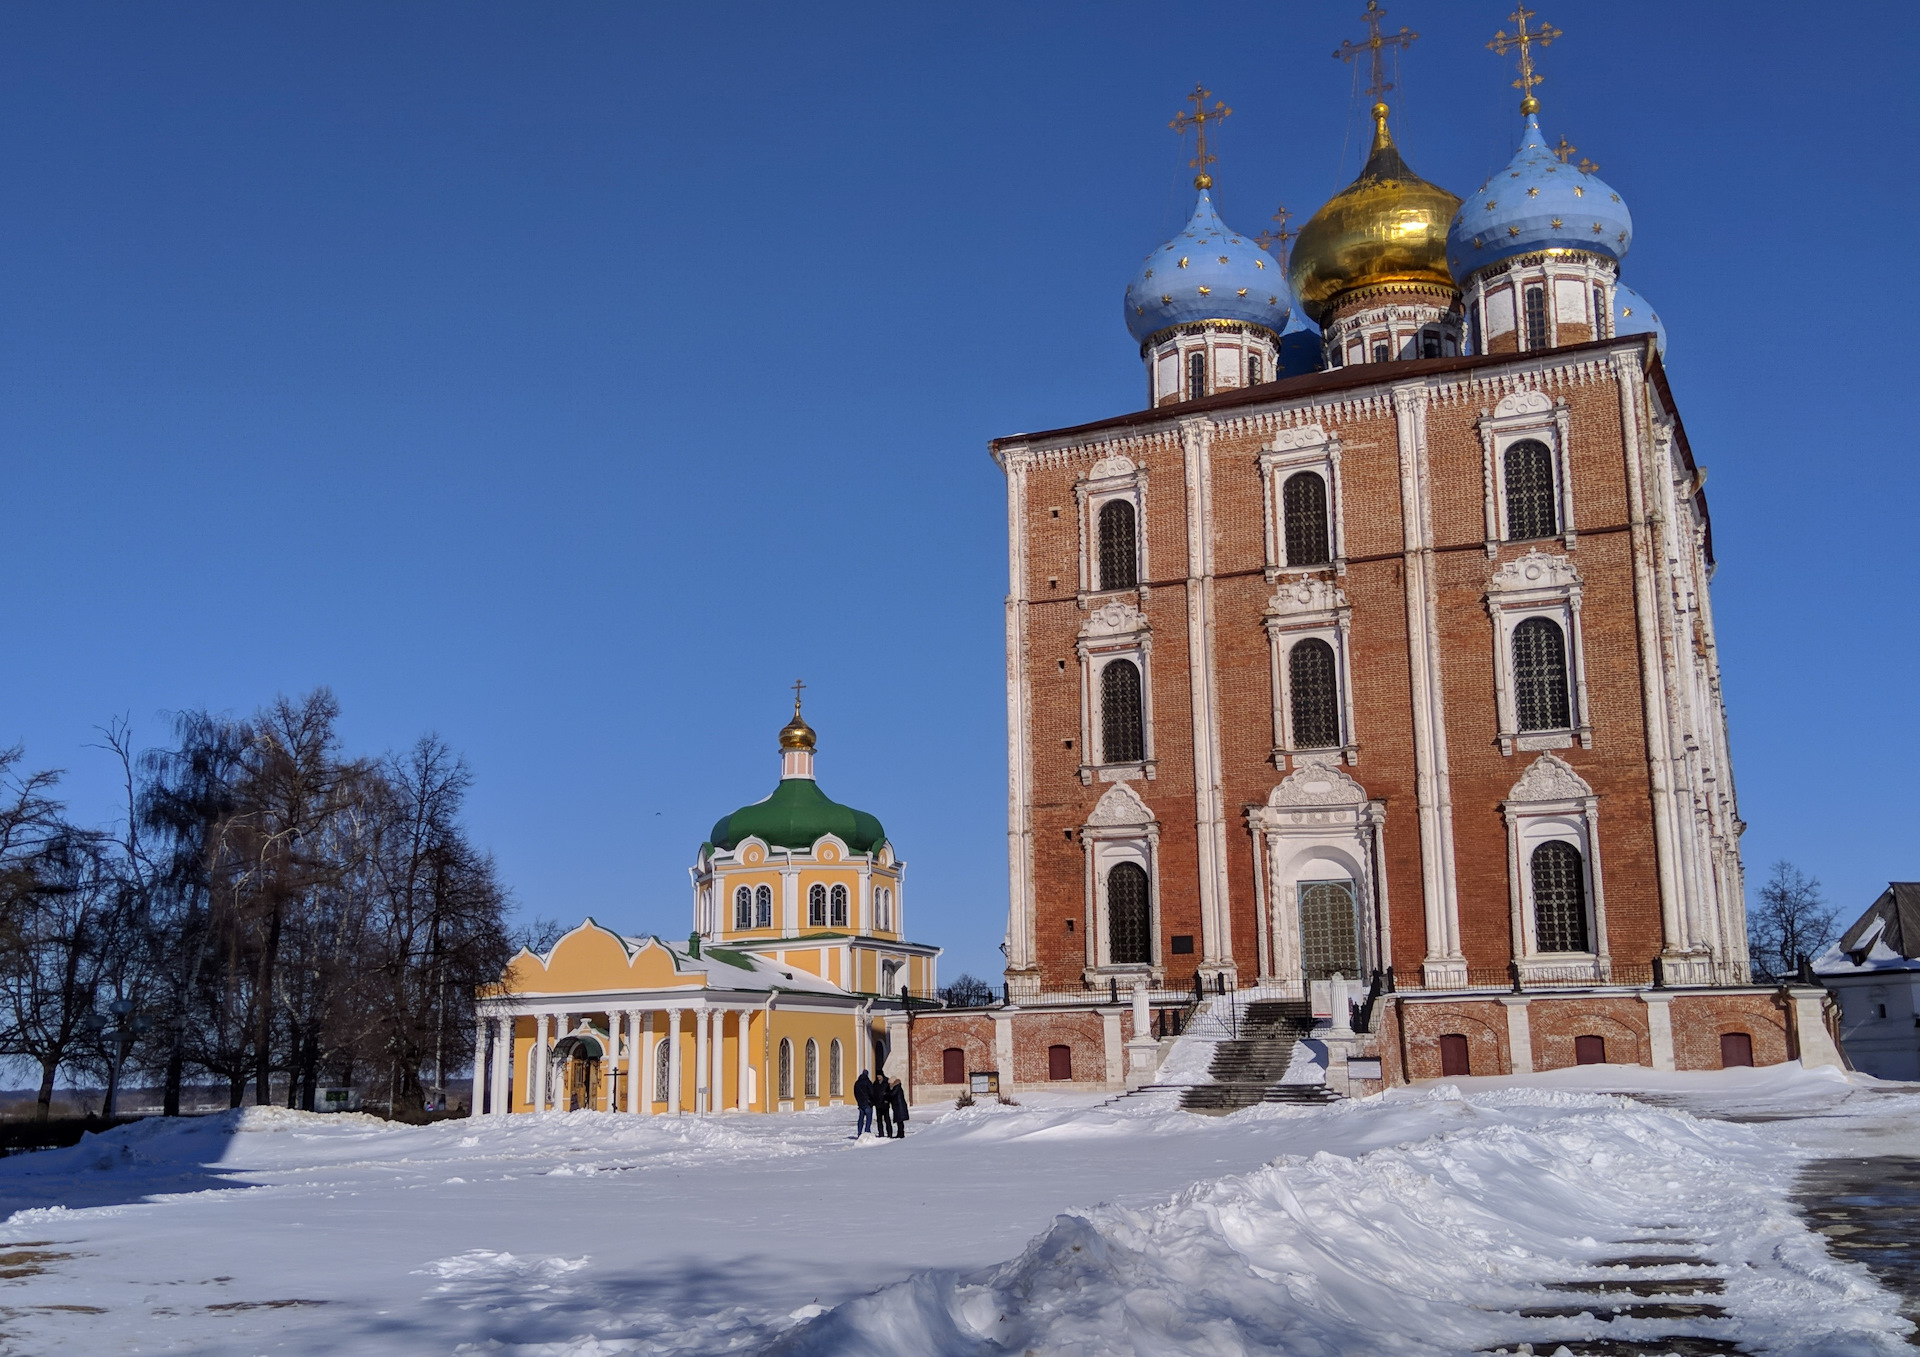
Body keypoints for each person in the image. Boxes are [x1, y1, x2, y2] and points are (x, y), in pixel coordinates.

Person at [852, 1068, 874, 1137]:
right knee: (868, 1118)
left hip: (860, 1103)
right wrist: (872, 1101)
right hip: (867, 1103)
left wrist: (858, 1100)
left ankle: (859, 1132)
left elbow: (855, 1093)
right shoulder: (868, 1082)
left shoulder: (857, 1083)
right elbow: (871, 1092)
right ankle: (867, 1131)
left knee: (861, 1118)